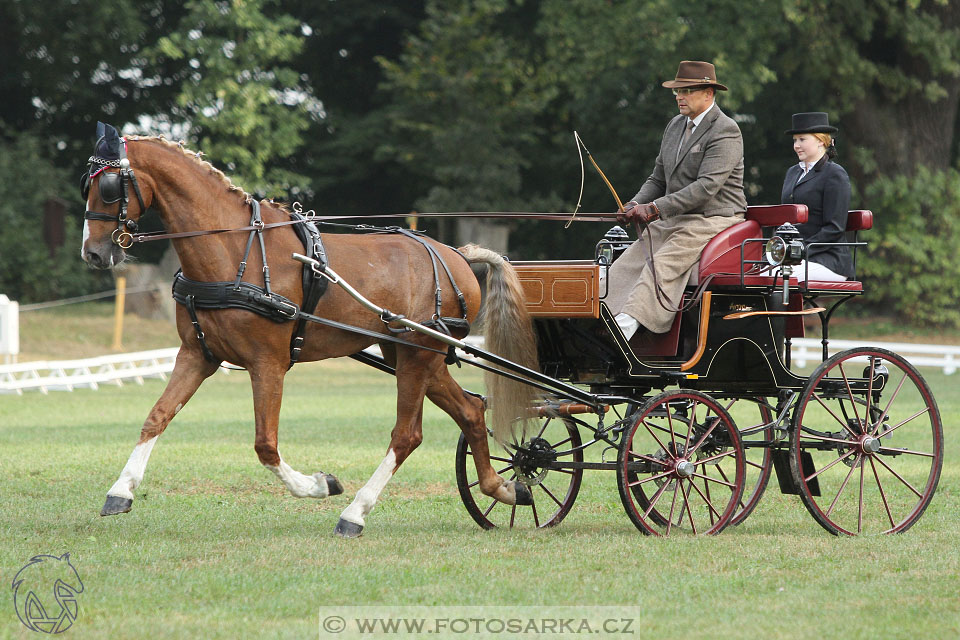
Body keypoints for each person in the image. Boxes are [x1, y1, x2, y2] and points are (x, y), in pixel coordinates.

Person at [606, 60, 747, 340]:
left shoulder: (725, 130)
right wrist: (634, 205)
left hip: (716, 219)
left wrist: (656, 208)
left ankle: (629, 323)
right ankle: (603, 314)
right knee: (630, 258)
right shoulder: (674, 127)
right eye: (677, 92)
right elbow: (658, 179)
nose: (680, 97)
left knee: (665, 260)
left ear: (709, 93)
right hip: (677, 217)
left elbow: (706, 188)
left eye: (687, 91)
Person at [781, 112, 853, 281]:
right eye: (794, 140)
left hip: (828, 259)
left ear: (821, 140)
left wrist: (800, 250)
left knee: (776, 277)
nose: (796, 145)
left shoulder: (834, 174)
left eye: (802, 139)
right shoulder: (792, 173)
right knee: (754, 275)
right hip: (795, 257)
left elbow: (834, 229)